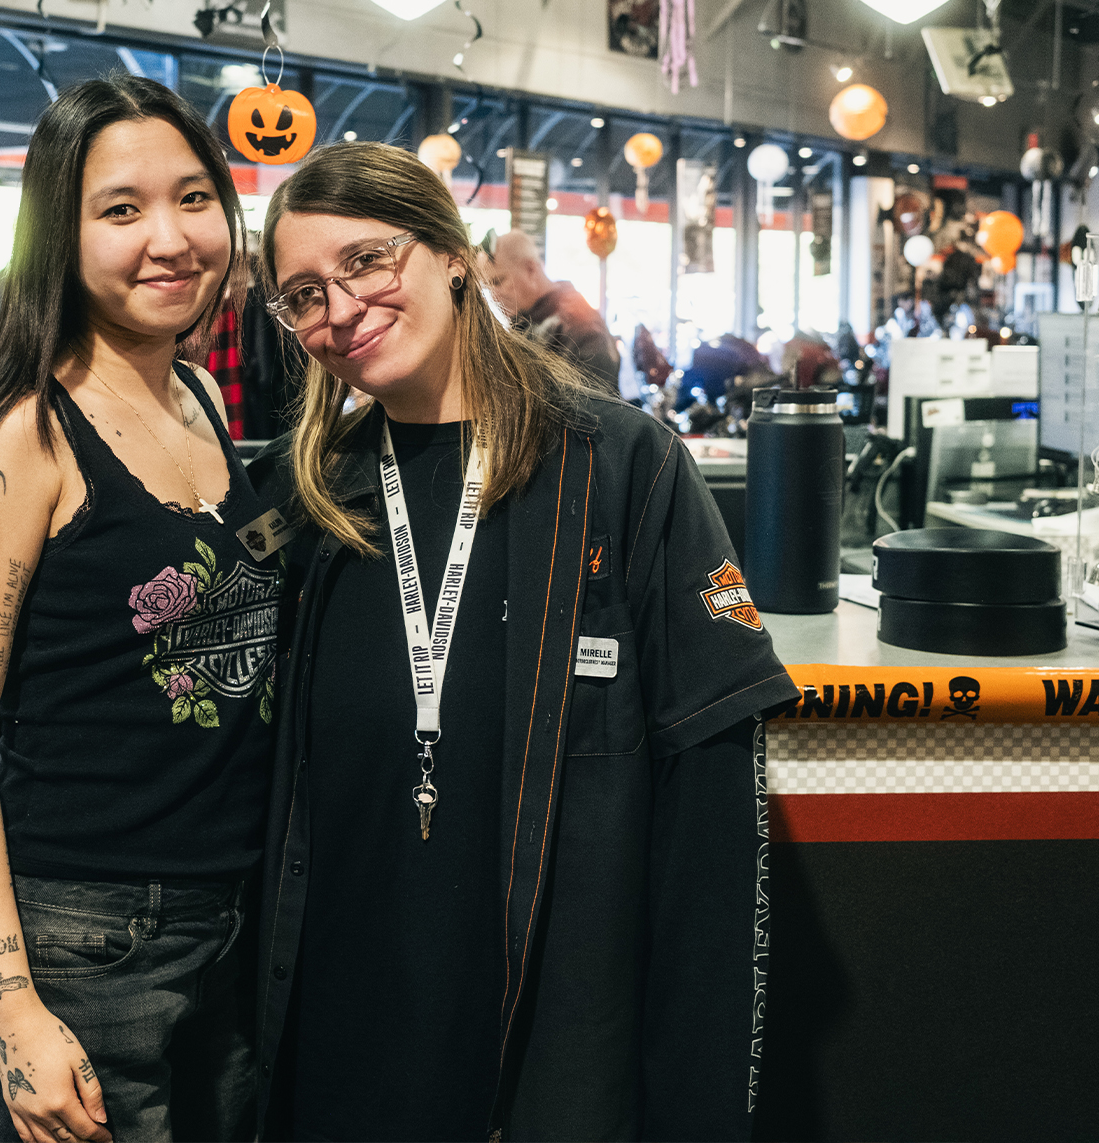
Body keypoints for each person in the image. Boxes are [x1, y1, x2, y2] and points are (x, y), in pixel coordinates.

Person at [250, 141, 800, 1141]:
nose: (337, 308)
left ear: (451, 255)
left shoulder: (619, 467)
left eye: (366, 262)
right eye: (300, 294)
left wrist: (694, 1100)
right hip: (341, 1039)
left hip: (547, 1047)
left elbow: (710, 822)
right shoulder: (305, 497)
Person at [0, 76, 282, 1143]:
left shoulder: (198, 396)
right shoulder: (20, 427)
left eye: (193, 198)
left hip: (225, 917)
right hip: (76, 933)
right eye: (121, 210)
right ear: (57, 235)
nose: (169, 238)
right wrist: (10, 1005)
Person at [481, 228, 622, 397]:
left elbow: (594, 413)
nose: (494, 296)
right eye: (488, 286)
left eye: (498, 281)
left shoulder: (580, 324)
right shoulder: (529, 324)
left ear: (530, 269)